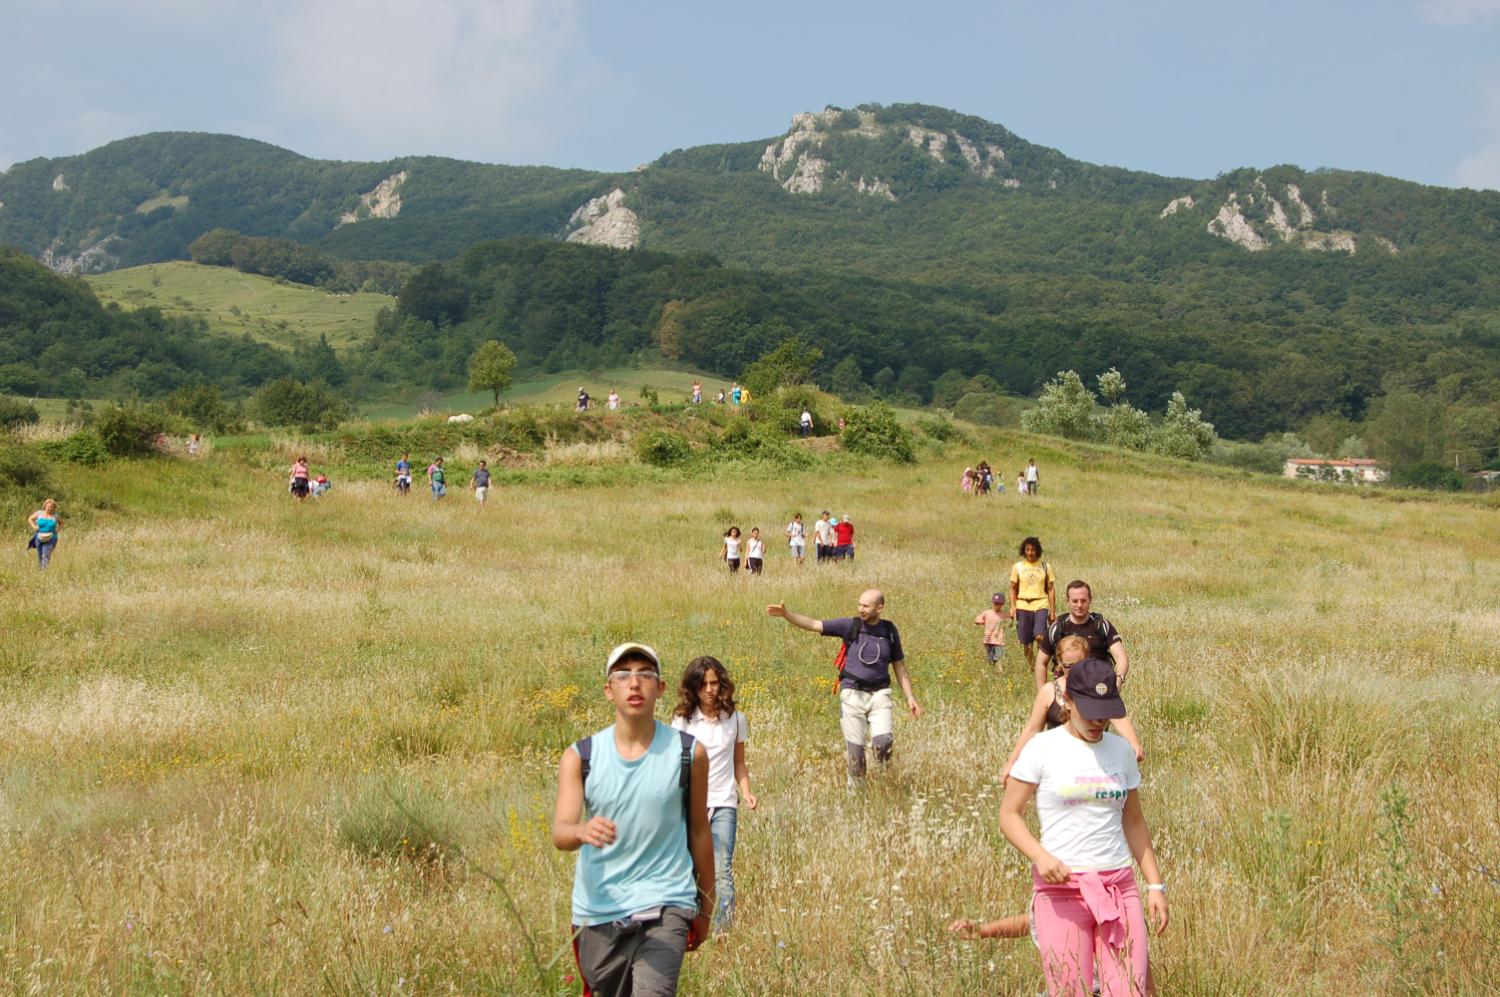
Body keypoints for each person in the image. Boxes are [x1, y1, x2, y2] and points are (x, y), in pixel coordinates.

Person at [553, 643, 716, 997]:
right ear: (608, 690)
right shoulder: (581, 757)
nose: (634, 683)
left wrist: (706, 906)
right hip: (598, 910)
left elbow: (700, 832)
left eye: (645, 675)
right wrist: (581, 830)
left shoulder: (689, 753)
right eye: (623, 675)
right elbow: (561, 832)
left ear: (660, 688)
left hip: (667, 901)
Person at [999, 657, 1167, 996]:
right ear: (1067, 700)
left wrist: (1154, 885)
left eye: (1105, 713)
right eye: (1089, 711)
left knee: (1128, 990)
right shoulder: (1042, 748)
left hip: (1118, 887)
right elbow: (1009, 814)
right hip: (1061, 889)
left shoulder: (1120, 751)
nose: (1098, 721)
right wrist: (1040, 856)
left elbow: (1133, 820)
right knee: (1069, 988)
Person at [766, 590, 921, 780]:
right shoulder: (850, 626)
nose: (860, 609)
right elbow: (815, 624)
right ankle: (857, 797)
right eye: (859, 605)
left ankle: (884, 783)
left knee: (883, 744)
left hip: (880, 694)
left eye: (866, 606)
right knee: (856, 756)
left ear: (879, 608)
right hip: (852, 694)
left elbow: (899, 666)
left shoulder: (889, 631)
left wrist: (910, 697)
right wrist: (787, 615)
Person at [670, 656, 757, 933]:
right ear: (693, 688)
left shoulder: (735, 720)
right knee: (690, 870)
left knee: (722, 872)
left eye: (715, 683)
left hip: (723, 804)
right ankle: (691, 928)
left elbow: (739, 762)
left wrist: (747, 792)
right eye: (704, 684)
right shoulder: (683, 721)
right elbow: (674, 765)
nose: (710, 689)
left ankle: (722, 934)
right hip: (690, 807)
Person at [1002, 637, 1143, 783]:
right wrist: (1012, 763)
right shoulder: (1049, 691)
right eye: (1068, 666)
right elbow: (1032, 729)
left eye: (1079, 664)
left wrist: (1134, 743)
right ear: (1059, 663)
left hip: (1094, 766)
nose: (1074, 670)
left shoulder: (1098, 689)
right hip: (1057, 768)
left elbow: (1118, 718)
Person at [1035, 580, 1130, 689]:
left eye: (1083, 601)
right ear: (1068, 601)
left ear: (1090, 600)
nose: (1079, 605)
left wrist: (1119, 679)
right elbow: (1041, 663)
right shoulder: (1057, 628)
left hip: (1099, 686)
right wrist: (1042, 692)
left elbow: (1121, 657)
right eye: (1075, 601)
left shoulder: (1101, 624)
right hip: (1065, 686)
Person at [1009, 537, 1056, 682]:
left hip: (1041, 604)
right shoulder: (1018, 567)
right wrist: (1012, 607)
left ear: (1037, 550)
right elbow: (1012, 588)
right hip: (1023, 605)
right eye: (1027, 549)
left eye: (1033, 549)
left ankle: (1043, 662)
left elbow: (1051, 589)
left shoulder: (1045, 566)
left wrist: (1052, 610)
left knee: (1040, 636)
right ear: (1024, 550)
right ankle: (1032, 667)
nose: (1030, 553)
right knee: (1026, 642)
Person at [973, 592, 1008, 672]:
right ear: (993, 603)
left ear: (1002, 604)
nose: (997, 605)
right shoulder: (987, 613)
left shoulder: (1004, 615)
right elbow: (977, 619)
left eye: (999, 604)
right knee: (990, 658)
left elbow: (1010, 622)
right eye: (996, 603)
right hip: (988, 640)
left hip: (999, 640)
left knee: (999, 658)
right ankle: (991, 671)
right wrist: (979, 621)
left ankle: (1000, 671)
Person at [27, 498, 60, 571]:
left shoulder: (55, 516)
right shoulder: (39, 513)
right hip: (39, 538)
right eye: (49, 507)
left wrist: (58, 529)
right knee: (40, 555)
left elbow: (62, 523)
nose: (50, 508)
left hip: (52, 538)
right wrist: (34, 527)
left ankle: (44, 572)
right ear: (45, 506)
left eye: (52, 507)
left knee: (46, 554)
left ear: (54, 508)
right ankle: (40, 570)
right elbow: (30, 519)